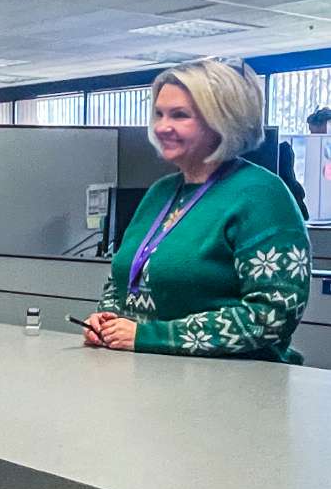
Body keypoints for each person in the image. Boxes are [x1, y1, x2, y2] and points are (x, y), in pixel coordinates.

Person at [84, 58, 310, 363]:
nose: (162, 127)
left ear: (221, 121)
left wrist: (151, 336)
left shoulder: (261, 195)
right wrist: (108, 317)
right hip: (150, 376)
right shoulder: (161, 192)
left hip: (234, 387)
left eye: (180, 115)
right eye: (159, 114)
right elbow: (126, 276)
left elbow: (273, 313)